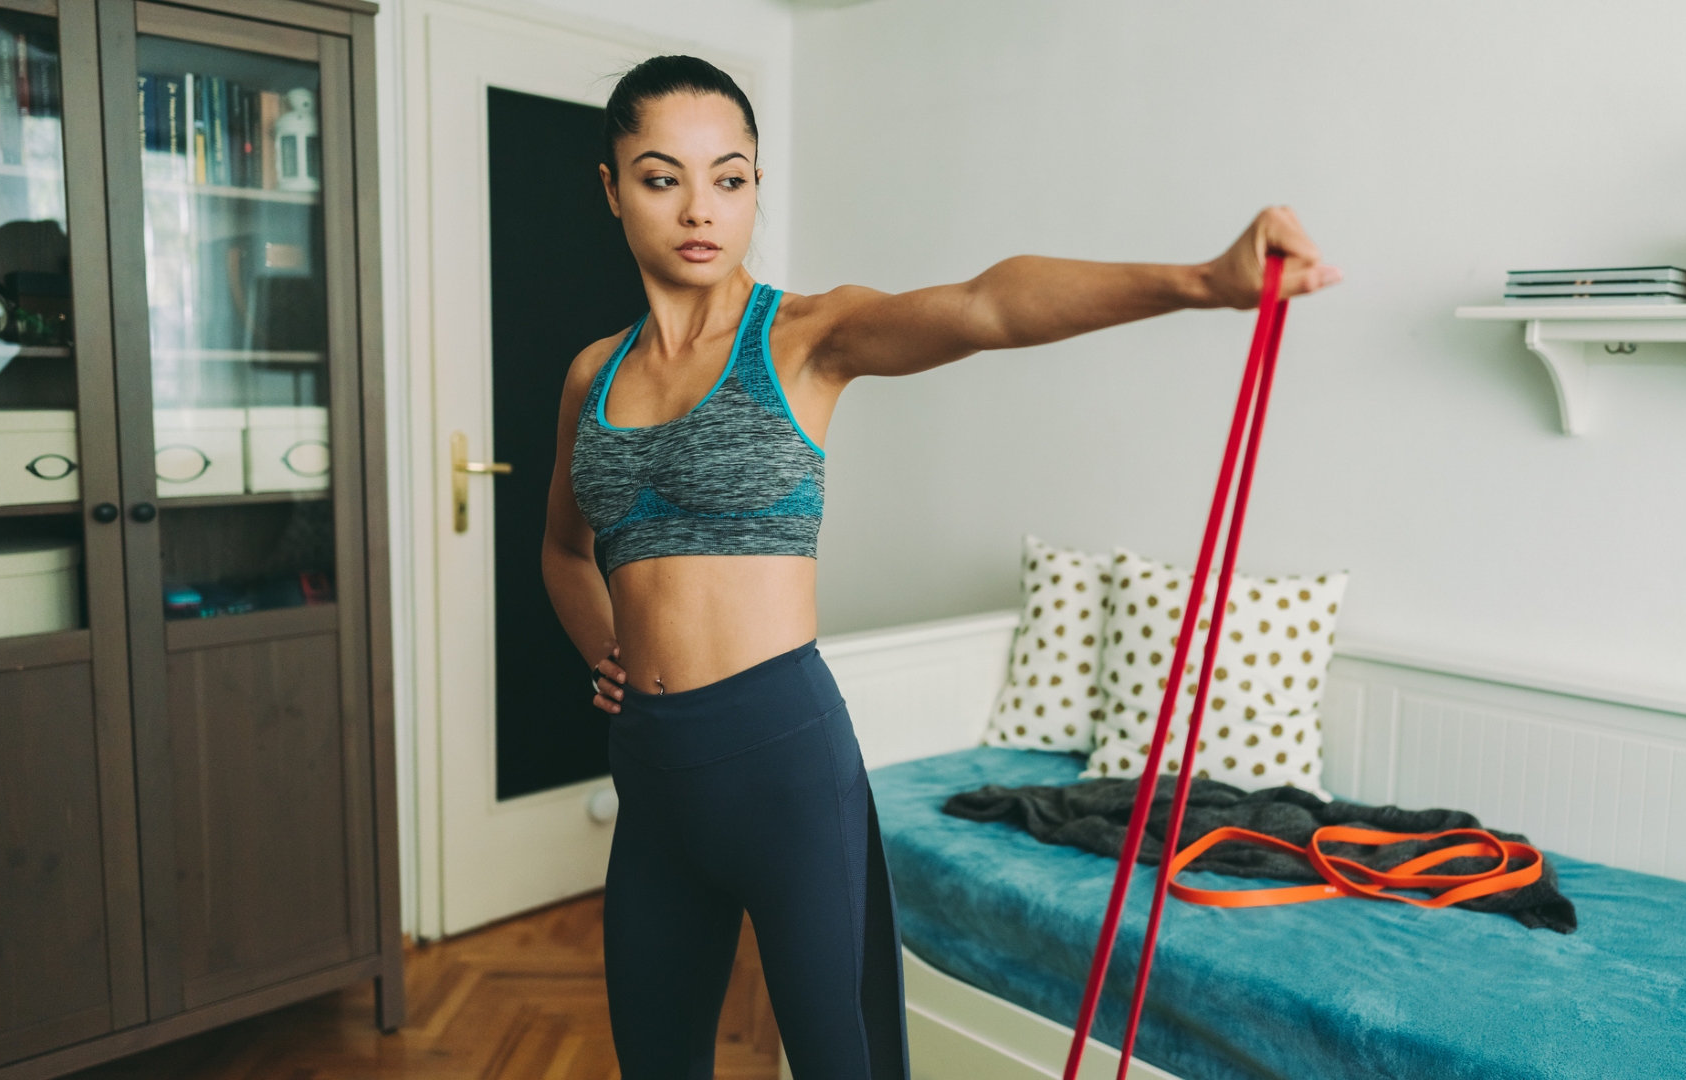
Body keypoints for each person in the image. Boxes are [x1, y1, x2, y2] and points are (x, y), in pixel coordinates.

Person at [542, 54, 1341, 1080]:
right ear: (613, 189)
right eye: (663, 178)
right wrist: (604, 646)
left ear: (755, 189)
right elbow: (567, 549)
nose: (702, 207)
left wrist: (1202, 282)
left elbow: (985, 305)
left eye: (730, 177)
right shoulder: (591, 376)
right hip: (651, 772)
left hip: (780, 762)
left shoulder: (802, 336)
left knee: (847, 1063)